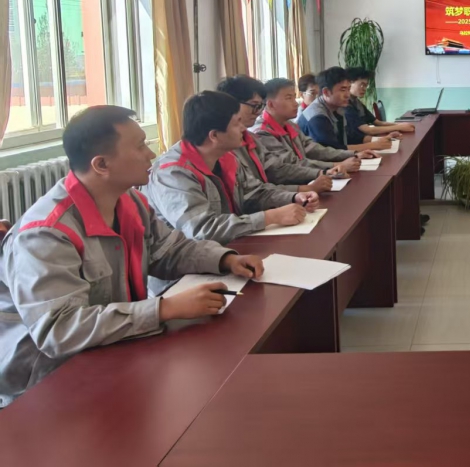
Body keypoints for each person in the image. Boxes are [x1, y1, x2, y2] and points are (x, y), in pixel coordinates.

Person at [0, 106, 264, 407]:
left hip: (113, 351)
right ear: (101, 164)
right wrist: (164, 309)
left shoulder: (130, 202)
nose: (151, 154)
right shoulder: (45, 233)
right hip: (43, 387)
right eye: (139, 146)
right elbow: (59, 331)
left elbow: (170, 250)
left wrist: (225, 259)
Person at [145, 91, 316, 245]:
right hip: (190, 266)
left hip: (232, 248)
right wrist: (269, 217)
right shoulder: (172, 173)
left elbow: (255, 193)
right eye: (237, 123)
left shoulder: (225, 156)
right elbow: (202, 230)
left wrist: (294, 197)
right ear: (214, 135)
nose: (243, 128)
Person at [217, 75, 334, 193]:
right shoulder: (260, 133)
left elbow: (276, 168)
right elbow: (253, 192)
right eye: (254, 105)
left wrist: (323, 172)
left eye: (259, 106)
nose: (258, 112)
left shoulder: (253, 136)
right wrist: (306, 187)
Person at [254, 77, 367, 176]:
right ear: (270, 104)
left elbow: (313, 149)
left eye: (294, 97)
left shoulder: (290, 125)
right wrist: (336, 165)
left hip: (307, 179)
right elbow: (293, 164)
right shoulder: (262, 133)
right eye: (289, 98)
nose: (295, 103)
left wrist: (353, 153)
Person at [299, 67, 389, 153]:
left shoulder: (338, 108)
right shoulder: (317, 116)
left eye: (348, 89)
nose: (347, 95)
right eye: (343, 90)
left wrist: (380, 140)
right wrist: (373, 145)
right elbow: (332, 150)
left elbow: (352, 137)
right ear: (326, 92)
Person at [343, 67, 415, 145]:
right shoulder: (346, 106)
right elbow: (368, 130)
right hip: (358, 145)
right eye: (362, 85)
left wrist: (400, 125)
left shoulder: (357, 103)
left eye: (366, 86)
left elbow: (378, 122)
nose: (364, 89)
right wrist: (399, 127)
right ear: (349, 83)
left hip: (365, 141)